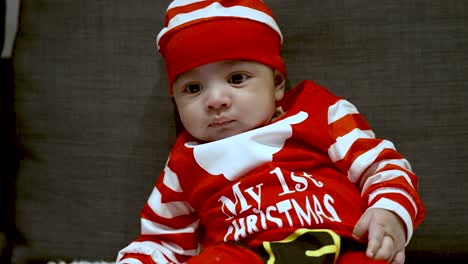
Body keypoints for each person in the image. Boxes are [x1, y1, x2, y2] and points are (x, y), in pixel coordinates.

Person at [116, 1, 425, 263]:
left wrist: (390, 211)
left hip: (340, 240)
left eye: (237, 78)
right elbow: (164, 242)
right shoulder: (184, 160)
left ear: (277, 84)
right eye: (193, 88)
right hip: (241, 252)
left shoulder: (320, 111)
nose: (216, 100)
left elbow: (381, 166)